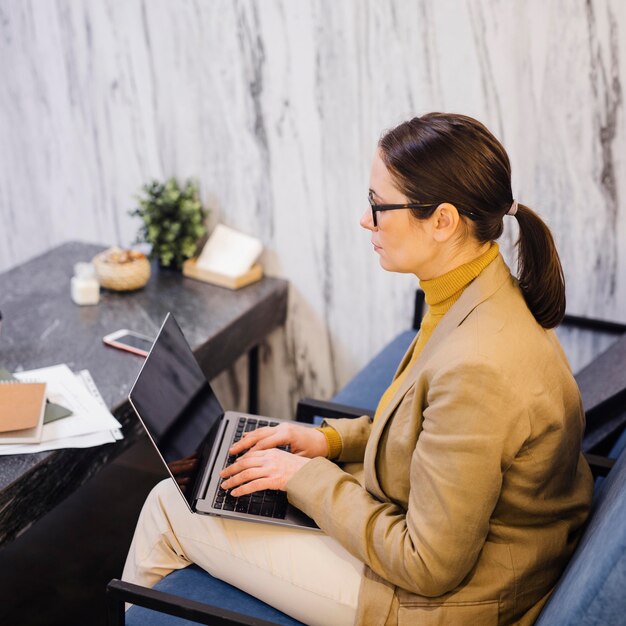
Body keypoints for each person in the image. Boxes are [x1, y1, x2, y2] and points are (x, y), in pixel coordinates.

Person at [123, 112, 593, 626]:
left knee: (171, 504)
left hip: (441, 604)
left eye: (378, 205)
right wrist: (326, 443)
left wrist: (305, 479)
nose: (366, 220)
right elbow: (428, 433)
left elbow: (428, 565)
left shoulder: (478, 365)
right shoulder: (478, 297)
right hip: (452, 553)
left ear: (443, 221)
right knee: (206, 489)